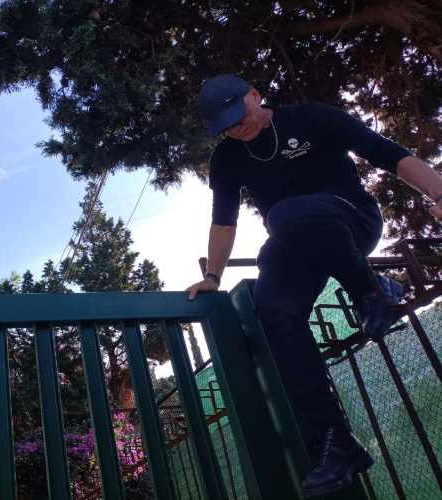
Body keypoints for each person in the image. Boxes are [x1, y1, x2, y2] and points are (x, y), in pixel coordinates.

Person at [186, 74, 442, 497]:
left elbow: (387, 153)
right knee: (272, 309)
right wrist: (213, 276)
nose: (236, 129)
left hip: (350, 220)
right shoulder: (227, 158)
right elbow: (224, 220)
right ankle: (335, 441)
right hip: (295, 239)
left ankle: (371, 294)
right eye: (225, 126)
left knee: (285, 214)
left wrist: (437, 192)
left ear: (255, 95)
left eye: (238, 116)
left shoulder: (312, 117)